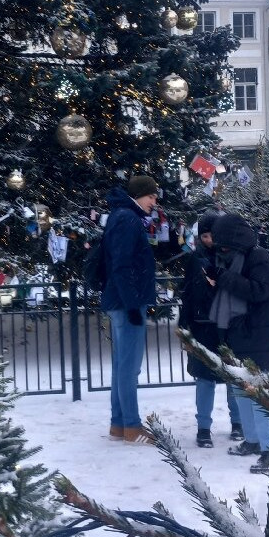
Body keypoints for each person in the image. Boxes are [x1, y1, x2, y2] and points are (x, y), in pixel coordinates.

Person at [207, 213, 269, 474]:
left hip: (256, 332)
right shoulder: (229, 259)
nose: (221, 250)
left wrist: (223, 278)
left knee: (258, 394)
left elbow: (261, 291)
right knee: (241, 392)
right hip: (237, 332)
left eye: (223, 245)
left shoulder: (257, 256)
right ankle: (252, 440)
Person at [101, 174, 159, 444]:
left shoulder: (122, 216)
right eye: (151, 196)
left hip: (121, 301)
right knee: (129, 367)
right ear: (138, 195)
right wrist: (133, 305)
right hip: (127, 303)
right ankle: (132, 427)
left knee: (121, 365)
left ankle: (118, 423)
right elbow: (122, 266)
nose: (154, 202)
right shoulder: (128, 219)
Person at [179, 209, 243, 448]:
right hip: (202, 327)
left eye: (213, 236)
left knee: (233, 378)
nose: (210, 241)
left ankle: (237, 423)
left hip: (227, 326)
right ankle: (203, 427)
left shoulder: (232, 257)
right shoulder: (195, 259)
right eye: (205, 236)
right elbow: (188, 294)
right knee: (204, 379)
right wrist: (184, 326)